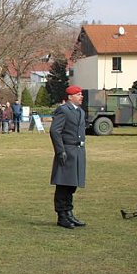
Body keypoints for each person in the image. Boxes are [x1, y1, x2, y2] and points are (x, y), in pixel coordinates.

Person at [50, 85, 87, 229]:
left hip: (78, 151)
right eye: (78, 94)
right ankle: (62, 216)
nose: (81, 96)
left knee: (72, 185)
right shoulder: (64, 110)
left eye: (81, 94)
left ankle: (69, 212)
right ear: (70, 97)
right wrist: (60, 151)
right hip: (67, 151)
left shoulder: (80, 112)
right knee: (63, 185)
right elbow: (55, 131)